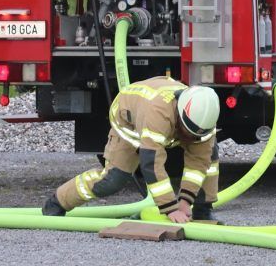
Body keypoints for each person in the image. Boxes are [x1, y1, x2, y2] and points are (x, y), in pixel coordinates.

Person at [42, 76, 220, 223]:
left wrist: (185, 202)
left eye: (195, 135)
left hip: (164, 120)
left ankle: (203, 210)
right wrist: (171, 209)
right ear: (180, 114)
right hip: (128, 122)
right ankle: (58, 202)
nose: (190, 139)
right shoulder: (157, 113)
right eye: (187, 132)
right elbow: (151, 163)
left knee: (209, 156)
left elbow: (198, 164)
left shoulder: (203, 120)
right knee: (112, 180)